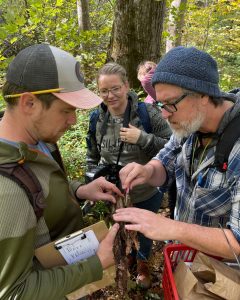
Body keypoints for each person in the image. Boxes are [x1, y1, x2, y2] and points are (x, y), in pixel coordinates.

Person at [0, 44, 123, 300]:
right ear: (29, 103)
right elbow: (15, 292)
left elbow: (37, 186)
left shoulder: (37, 139)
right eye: (66, 110)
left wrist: (78, 190)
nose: (73, 121)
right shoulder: (6, 192)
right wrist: (96, 265)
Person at [113, 46, 240, 260]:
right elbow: (164, 162)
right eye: (161, 104)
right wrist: (146, 171)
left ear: (203, 95)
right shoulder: (189, 124)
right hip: (182, 261)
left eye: (170, 104)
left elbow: (237, 244)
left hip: (217, 280)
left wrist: (171, 228)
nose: (163, 114)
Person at [86, 62, 172, 288]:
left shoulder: (148, 113)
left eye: (115, 88)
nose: (110, 95)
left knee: (144, 231)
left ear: (126, 86)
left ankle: (143, 263)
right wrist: (92, 181)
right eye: (104, 90)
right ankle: (125, 260)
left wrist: (142, 138)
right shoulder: (97, 118)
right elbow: (92, 154)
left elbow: (174, 148)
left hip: (146, 191)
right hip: (113, 193)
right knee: (119, 231)